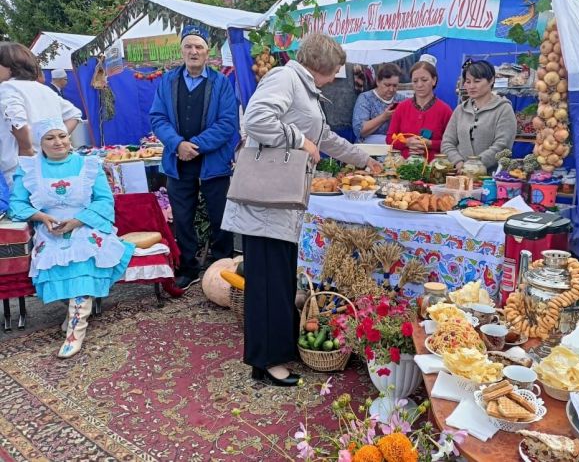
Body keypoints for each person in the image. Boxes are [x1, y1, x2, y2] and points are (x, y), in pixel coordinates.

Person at [221, 33, 383, 387]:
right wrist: (300, 140)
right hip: (267, 200)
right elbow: (257, 119)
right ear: (322, 65)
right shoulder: (285, 78)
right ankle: (265, 362)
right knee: (266, 282)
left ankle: (276, 351)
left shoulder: (305, 88)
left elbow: (326, 138)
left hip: (281, 201)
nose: (338, 76)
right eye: (336, 69)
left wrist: (364, 159)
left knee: (278, 279)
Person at [9, 119, 134, 358]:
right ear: (40, 143)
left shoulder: (89, 164)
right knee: (52, 262)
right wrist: (42, 217)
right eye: (50, 138)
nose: (58, 142)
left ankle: (76, 331)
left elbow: (104, 201)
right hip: (50, 229)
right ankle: (73, 313)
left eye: (62, 136)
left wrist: (77, 221)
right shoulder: (28, 169)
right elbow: (17, 204)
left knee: (83, 258)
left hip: (86, 225)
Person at [149, 25, 238, 290]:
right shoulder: (168, 81)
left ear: (207, 52)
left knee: (220, 216)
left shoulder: (220, 83)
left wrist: (194, 146)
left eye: (198, 46)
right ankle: (189, 267)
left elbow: (227, 123)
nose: (193, 51)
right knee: (183, 217)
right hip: (178, 161)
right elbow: (158, 117)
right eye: (188, 46)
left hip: (212, 162)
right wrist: (177, 145)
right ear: (182, 50)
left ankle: (223, 265)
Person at [0, 42, 82, 186]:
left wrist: (27, 149)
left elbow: (17, 122)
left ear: (9, 67)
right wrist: (56, 139)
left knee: (23, 206)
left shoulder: (7, 87)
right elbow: (74, 115)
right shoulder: (44, 89)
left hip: (20, 167)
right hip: (50, 163)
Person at [441, 59, 516, 173]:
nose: (471, 86)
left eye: (477, 81)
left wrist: (474, 166)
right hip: (460, 175)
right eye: (468, 81)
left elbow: (502, 145)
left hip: (491, 177)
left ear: (491, 80)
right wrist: (458, 162)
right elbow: (447, 142)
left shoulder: (503, 109)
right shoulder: (460, 110)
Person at [386, 56, 452, 161]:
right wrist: (407, 142)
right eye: (415, 81)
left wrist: (429, 144)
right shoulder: (402, 108)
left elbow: (451, 144)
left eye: (424, 80)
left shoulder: (445, 110)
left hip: (434, 169)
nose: (419, 85)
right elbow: (390, 138)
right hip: (403, 166)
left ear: (434, 80)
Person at [351, 63, 403, 144]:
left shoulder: (402, 100)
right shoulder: (366, 98)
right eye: (387, 85)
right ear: (378, 81)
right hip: (368, 147)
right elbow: (359, 130)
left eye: (395, 86)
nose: (391, 89)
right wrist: (384, 117)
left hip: (394, 145)